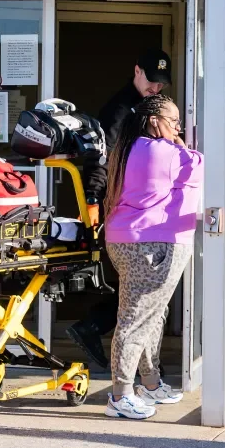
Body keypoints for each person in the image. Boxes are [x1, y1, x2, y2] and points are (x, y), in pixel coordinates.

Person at [67, 49, 173, 369]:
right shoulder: (120, 110)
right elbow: (101, 157)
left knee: (143, 285)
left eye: (161, 84)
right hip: (122, 206)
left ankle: (98, 329)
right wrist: (92, 200)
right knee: (144, 286)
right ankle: (141, 366)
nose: (156, 88)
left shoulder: (146, 107)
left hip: (142, 206)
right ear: (137, 71)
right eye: (151, 81)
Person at [101, 94, 203, 420]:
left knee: (149, 316)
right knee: (136, 320)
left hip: (129, 241)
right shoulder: (162, 152)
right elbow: (202, 167)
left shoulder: (129, 147)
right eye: (173, 122)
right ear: (155, 120)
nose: (177, 129)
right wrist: (182, 141)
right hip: (152, 245)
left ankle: (147, 382)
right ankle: (121, 395)